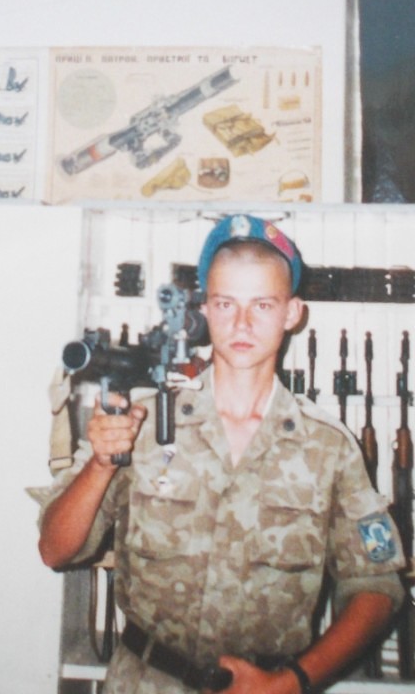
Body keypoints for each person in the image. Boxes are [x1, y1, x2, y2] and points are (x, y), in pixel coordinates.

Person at [38, 214, 406, 693]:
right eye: (226, 304)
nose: (242, 324)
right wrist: (100, 464)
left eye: (262, 305)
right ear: (205, 310)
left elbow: (376, 587)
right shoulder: (142, 423)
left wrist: (292, 682)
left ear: (292, 313)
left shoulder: (328, 447)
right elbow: (55, 549)